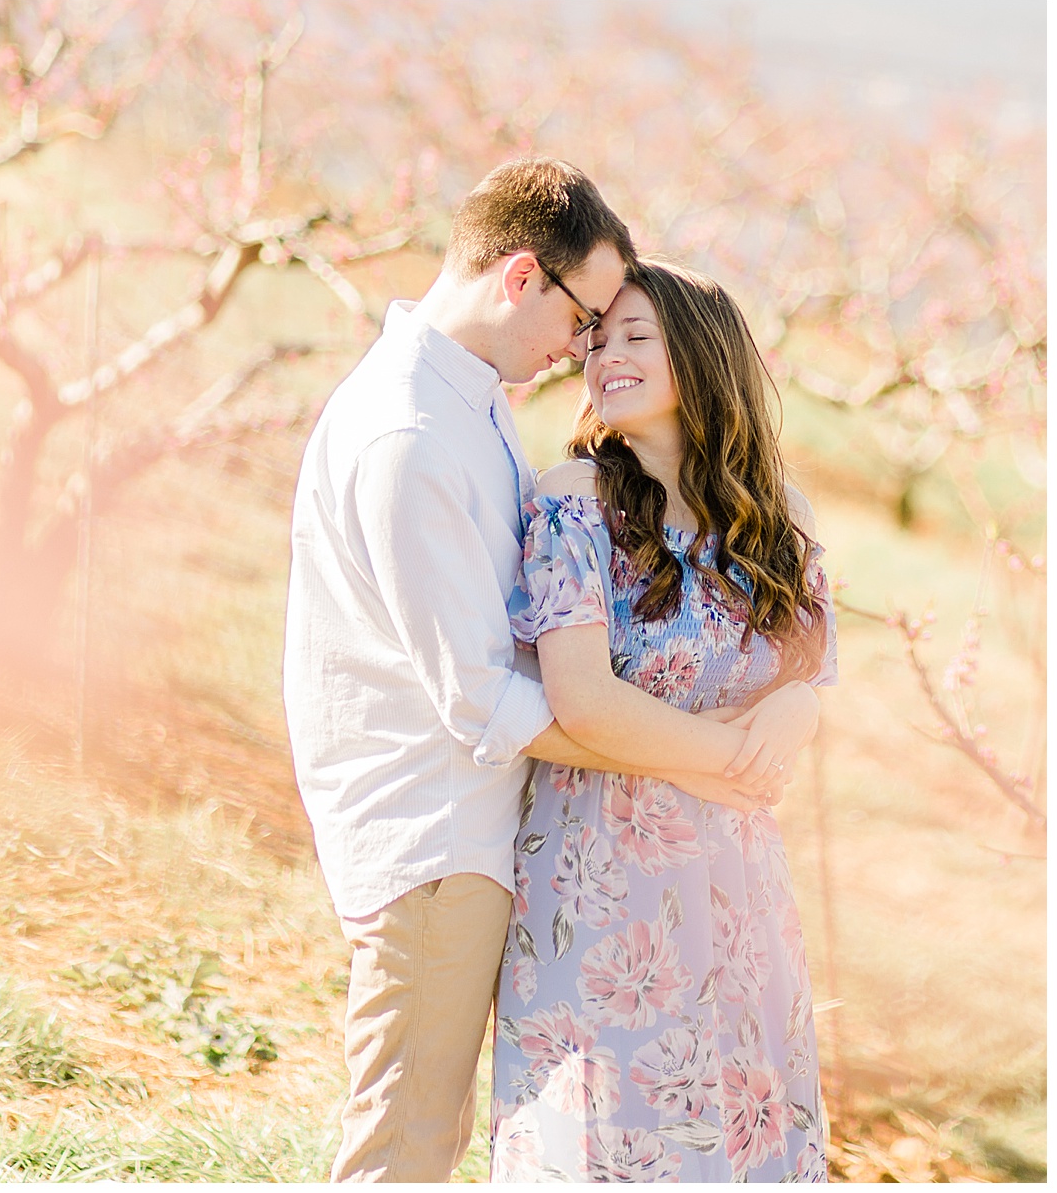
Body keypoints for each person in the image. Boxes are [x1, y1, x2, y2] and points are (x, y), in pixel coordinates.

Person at [282, 159, 782, 1183]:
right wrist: (699, 760)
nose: (583, 348)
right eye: (585, 315)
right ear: (521, 277)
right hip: (434, 832)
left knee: (429, 1128)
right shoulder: (409, 433)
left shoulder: (463, 403)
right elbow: (480, 694)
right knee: (407, 1141)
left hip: (471, 826)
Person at [488, 259, 836, 1182]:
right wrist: (720, 757)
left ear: (702, 355)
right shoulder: (574, 501)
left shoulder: (774, 517)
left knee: (743, 1134)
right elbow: (584, 700)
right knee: (609, 1139)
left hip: (740, 889)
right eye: (599, 338)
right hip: (605, 886)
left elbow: (812, 675)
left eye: (637, 336)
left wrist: (796, 709)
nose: (607, 355)